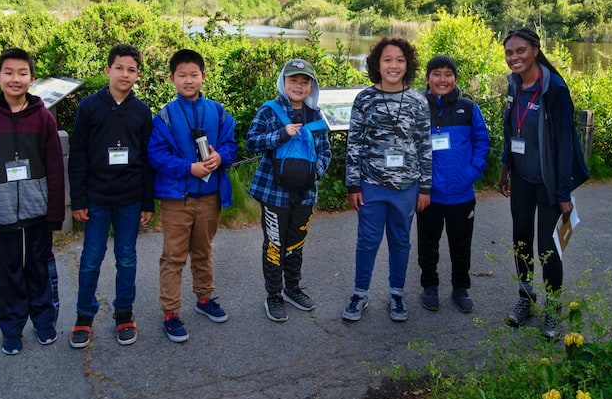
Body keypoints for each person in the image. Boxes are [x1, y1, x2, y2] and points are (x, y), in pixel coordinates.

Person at [0, 48, 65, 355]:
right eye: (9, 72)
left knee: (39, 267)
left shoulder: (42, 118)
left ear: (32, 79)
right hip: (2, 213)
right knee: (9, 271)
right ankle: (11, 328)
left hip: (38, 209)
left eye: (22, 73)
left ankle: (43, 321)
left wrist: (55, 213)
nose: (16, 78)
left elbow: (54, 167)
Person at [498, 27, 588, 339]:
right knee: (521, 242)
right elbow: (510, 129)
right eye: (510, 53)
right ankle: (526, 298)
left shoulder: (555, 90)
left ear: (535, 50)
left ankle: (553, 309)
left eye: (520, 51)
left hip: (549, 184)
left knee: (548, 248)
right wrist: (504, 167)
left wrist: (563, 193)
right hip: (522, 178)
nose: (514, 58)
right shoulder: (513, 84)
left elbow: (564, 144)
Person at [148, 49, 238, 343]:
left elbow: (231, 145)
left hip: (210, 196)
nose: (189, 81)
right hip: (178, 198)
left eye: (194, 75)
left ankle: (204, 299)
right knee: (173, 257)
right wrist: (189, 167)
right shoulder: (164, 116)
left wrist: (220, 158)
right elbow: (156, 156)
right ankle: (171, 313)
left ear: (203, 76)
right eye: (182, 76)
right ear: (172, 79)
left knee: (204, 250)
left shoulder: (218, 112)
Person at [68, 44, 154, 348]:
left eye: (131, 70)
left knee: (127, 258)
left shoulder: (143, 111)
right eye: (119, 68)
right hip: (96, 199)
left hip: (130, 199)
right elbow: (77, 156)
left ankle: (124, 314)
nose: (125, 74)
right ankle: (83, 316)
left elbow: (146, 159)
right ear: (107, 70)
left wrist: (147, 201)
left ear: (137, 76)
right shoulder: (89, 107)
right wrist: (77, 199)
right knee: (91, 259)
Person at [343, 38, 433, 322]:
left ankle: (397, 294)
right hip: (371, 184)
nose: (393, 65)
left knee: (401, 241)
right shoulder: (365, 99)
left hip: (406, 187)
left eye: (400, 60)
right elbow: (354, 143)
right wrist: (353, 184)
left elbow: (424, 145)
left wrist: (425, 186)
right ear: (376, 64)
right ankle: (360, 293)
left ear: (408, 65)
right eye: (387, 60)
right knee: (367, 241)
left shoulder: (419, 100)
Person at [246, 59, 331, 322]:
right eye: (294, 80)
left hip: (305, 193)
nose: (299, 86)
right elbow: (251, 142)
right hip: (274, 193)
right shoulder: (270, 111)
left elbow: (325, 151)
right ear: (284, 82)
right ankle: (273, 294)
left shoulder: (316, 115)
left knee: (295, 244)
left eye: (305, 82)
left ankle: (292, 288)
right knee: (274, 243)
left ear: (311, 86)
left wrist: (317, 171)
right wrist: (281, 135)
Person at [416, 55, 490, 313]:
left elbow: (482, 141)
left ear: (455, 79)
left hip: (462, 193)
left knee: (461, 244)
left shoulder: (468, 108)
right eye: (436, 74)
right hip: (429, 195)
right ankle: (429, 286)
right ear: (428, 79)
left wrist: (471, 173)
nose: (442, 79)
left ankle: (461, 287)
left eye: (448, 74)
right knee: (428, 244)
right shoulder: (418, 107)